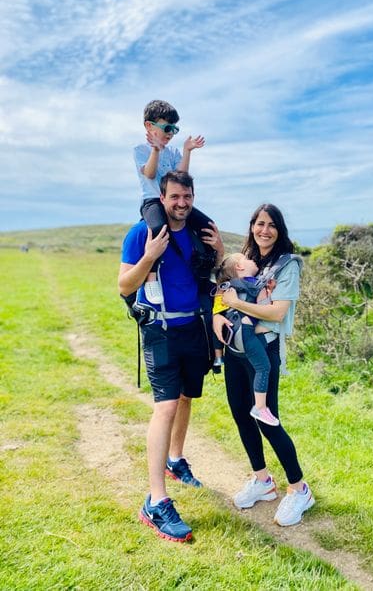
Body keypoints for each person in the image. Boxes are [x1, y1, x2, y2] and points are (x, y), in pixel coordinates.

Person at [119, 170, 224, 542]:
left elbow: (211, 278)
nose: (181, 203)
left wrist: (221, 255)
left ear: (193, 197)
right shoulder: (140, 233)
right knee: (165, 406)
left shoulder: (198, 233)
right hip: (159, 330)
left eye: (187, 197)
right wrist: (149, 256)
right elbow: (124, 285)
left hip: (193, 329)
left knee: (186, 397)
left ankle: (175, 460)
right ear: (162, 198)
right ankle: (156, 500)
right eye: (175, 197)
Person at [213, 204, 315, 527]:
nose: (264, 230)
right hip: (235, 350)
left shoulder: (287, 266)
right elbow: (222, 293)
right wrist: (217, 318)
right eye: (260, 223)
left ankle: (299, 489)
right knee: (241, 415)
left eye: (271, 225)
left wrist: (237, 305)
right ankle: (263, 481)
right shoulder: (246, 258)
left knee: (267, 420)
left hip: (263, 353)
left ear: (279, 229)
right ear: (252, 226)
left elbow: (277, 312)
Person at [134, 99, 212, 305]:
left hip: (173, 201)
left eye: (174, 129)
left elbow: (181, 177)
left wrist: (187, 151)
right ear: (149, 126)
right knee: (159, 228)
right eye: (167, 127)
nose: (170, 133)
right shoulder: (141, 150)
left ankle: (205, 267)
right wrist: (156, 150)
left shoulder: (174, 152)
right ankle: (151, 277)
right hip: (153, 201)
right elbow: (150, 174)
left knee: (207, 225)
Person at [214, 252, 280, 427]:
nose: (252, 260)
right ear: (240, 267)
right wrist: (270, 291)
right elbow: (265, 307)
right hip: (246, 334)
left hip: (236, 337)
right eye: (247, 259)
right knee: (263, 367)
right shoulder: (250, 284)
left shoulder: (229, 286)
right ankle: (260, 407)